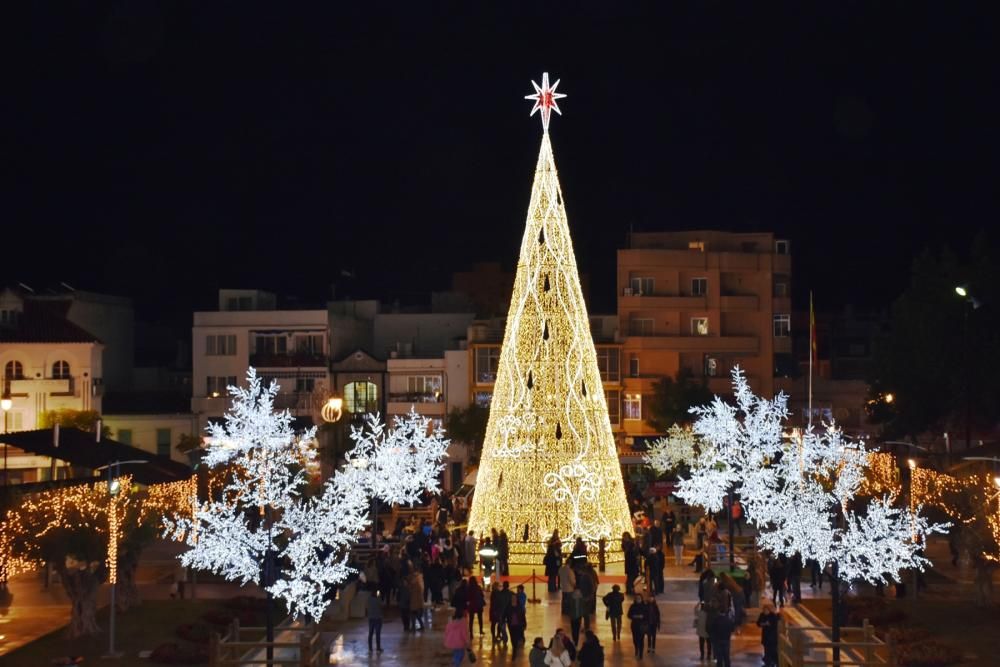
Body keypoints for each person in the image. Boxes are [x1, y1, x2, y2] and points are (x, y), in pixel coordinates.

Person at [708, 601, 735, 667]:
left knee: (719, 658)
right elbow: (732, 629)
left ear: (719, 612)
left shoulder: (716, 620)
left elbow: (711, 630)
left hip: (717, 641)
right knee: (726, 657)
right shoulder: (728, 620)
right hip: (726, 640)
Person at [757, 599, 780, 667]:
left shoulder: (773, 616)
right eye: (764, 610)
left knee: (773, 651)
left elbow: (774, 625)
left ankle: (775, 662)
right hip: (765, 636)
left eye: (766, 610)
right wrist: (763, 624)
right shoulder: (762, 615)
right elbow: (758, 623)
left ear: (769, 610)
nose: (764, 611)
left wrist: (767, 624)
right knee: (766, 650)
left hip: (772, 637)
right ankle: (768, 663)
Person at [365, 582, 384, 652]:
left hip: (371, 618)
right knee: (377, 634)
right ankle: (378, 648)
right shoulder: (378, 599)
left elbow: (367, 608)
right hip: (378, 618)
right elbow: (381, 606)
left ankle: (370, 648)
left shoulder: (369, 599)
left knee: (370, 633)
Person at [627, 594, 647, 659]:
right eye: (637, 598)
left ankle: (641, 653)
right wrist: (634, 616)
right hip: (634, 625)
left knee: (641, 640)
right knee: (635, 639)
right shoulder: (632, 606)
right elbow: (629, 615)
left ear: (641, 599)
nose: (638, 600)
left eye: (639, 598)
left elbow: (647, 615)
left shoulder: (644, 606)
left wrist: (643, 617)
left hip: (642, 625)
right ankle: (636, 648)